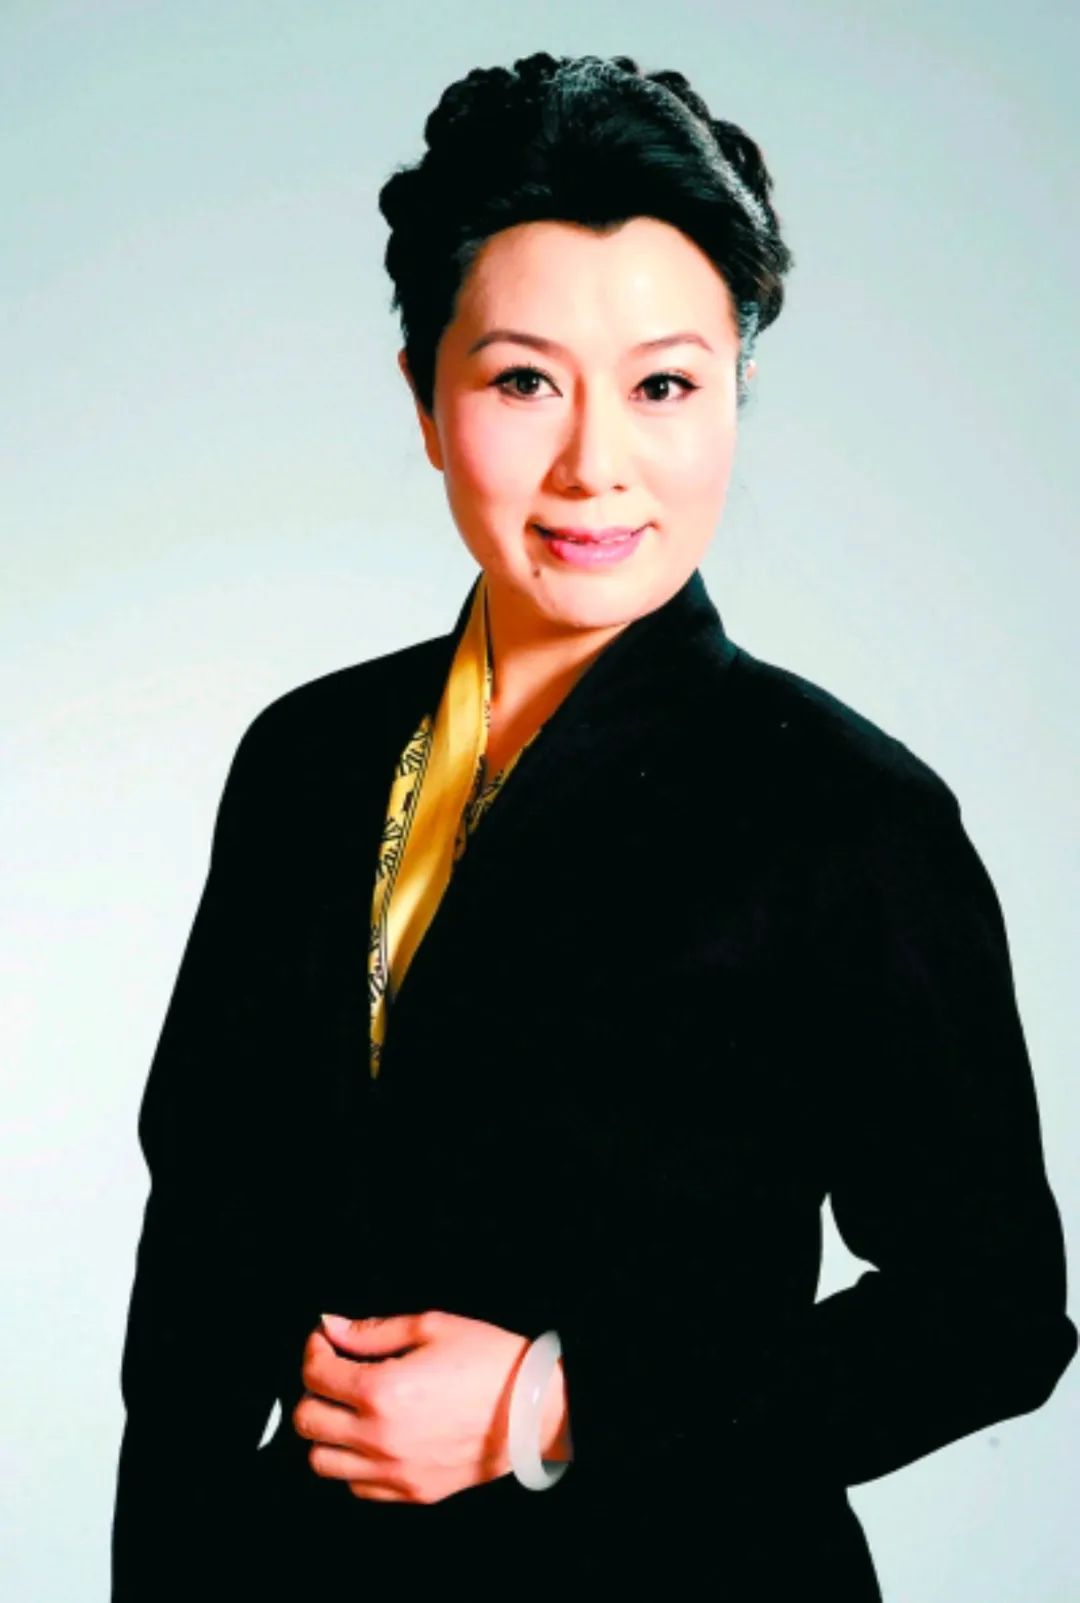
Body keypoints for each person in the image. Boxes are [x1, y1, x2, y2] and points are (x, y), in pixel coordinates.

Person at [110, 51, 1076, 1601]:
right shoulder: (305, 758)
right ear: (426, 398)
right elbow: (197, 1282)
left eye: (665, 385)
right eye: (522, 381)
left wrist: (550, 1403)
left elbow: (993, 1313)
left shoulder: (850, 815)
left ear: (737, 393)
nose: (594, 466)